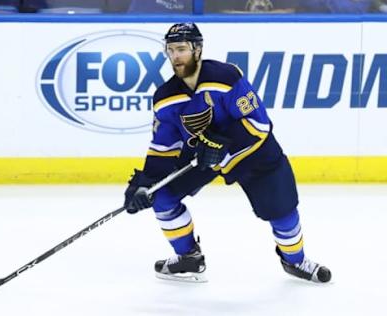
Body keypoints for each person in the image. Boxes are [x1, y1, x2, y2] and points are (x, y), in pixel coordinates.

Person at [123, 23, 332, 284]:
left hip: (252, 153)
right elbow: (164, 147)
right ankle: (189, 257)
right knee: (162, 197)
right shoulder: (165, 97)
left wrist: (221, 143)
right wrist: (144, 184)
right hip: (201, 158)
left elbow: (258, 123)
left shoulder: (225, 77)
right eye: (170, 50)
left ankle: (295, 260)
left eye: (181, 49)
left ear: (197, 49)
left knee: (282, 211)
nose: (175, 56)